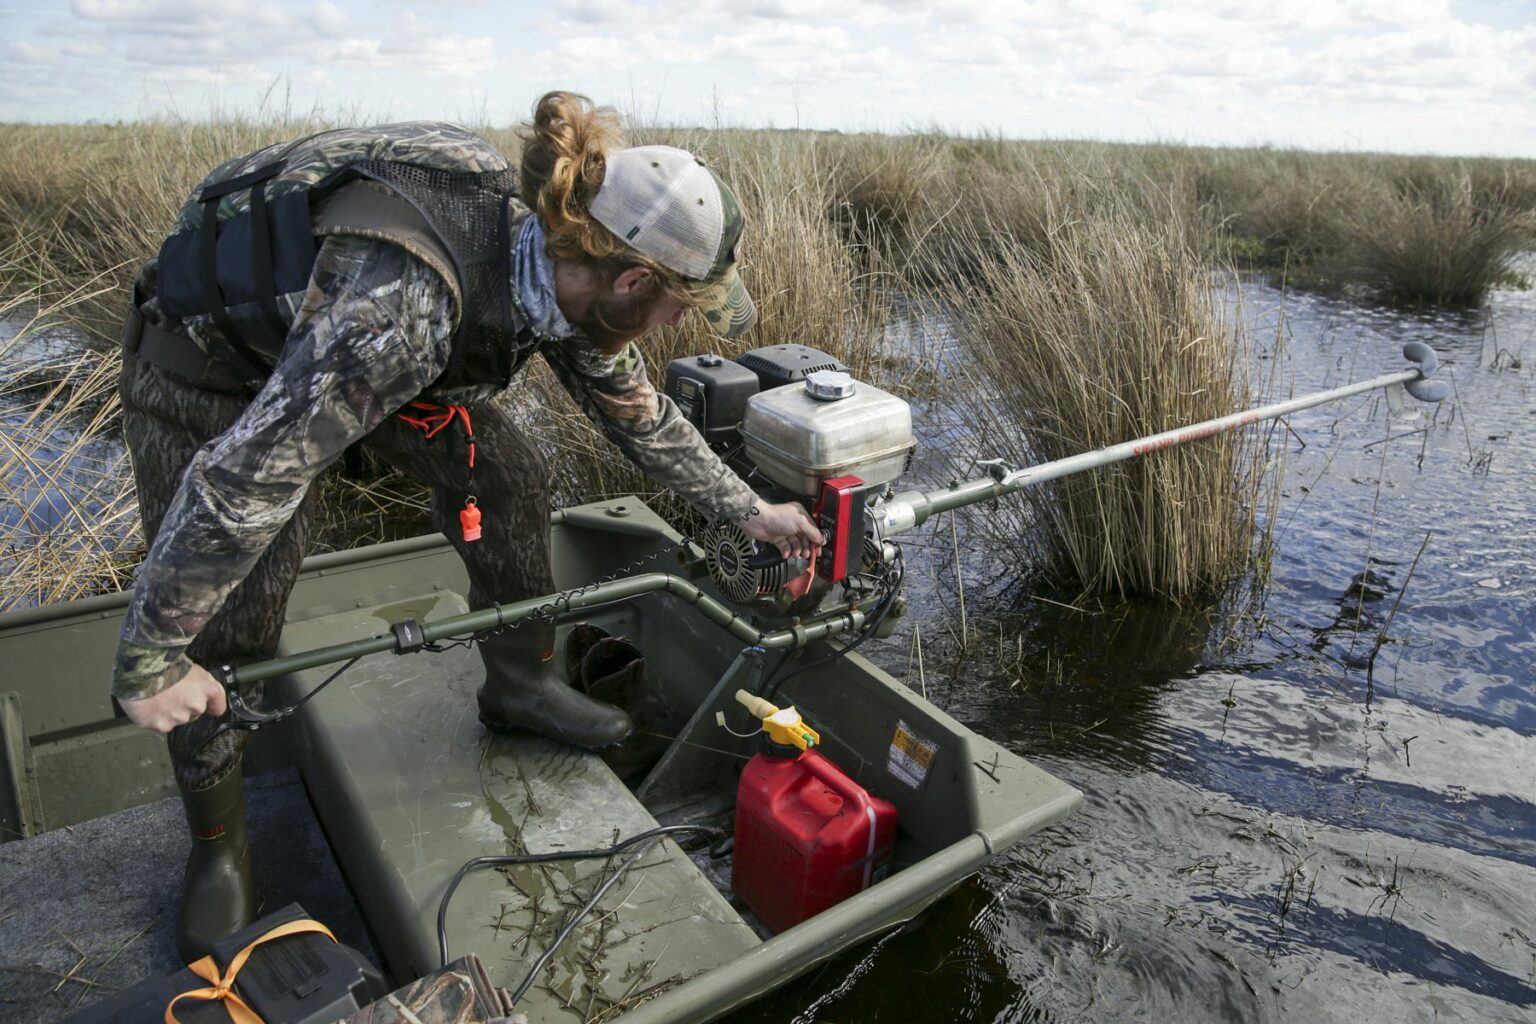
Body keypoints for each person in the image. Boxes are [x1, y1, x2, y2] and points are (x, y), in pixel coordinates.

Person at [111, 92, 822, 959]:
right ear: (634, 281)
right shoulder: (401, 310)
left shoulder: (563, 269)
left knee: (512, 479)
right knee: (238, 612)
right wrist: (150, 658)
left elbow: (641, 417)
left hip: (361, 364)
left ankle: (518, 684)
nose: (680, 324)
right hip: (209, 373)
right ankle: (218, 849)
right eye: (682, 305)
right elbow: (241, 480)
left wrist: (752, 511)